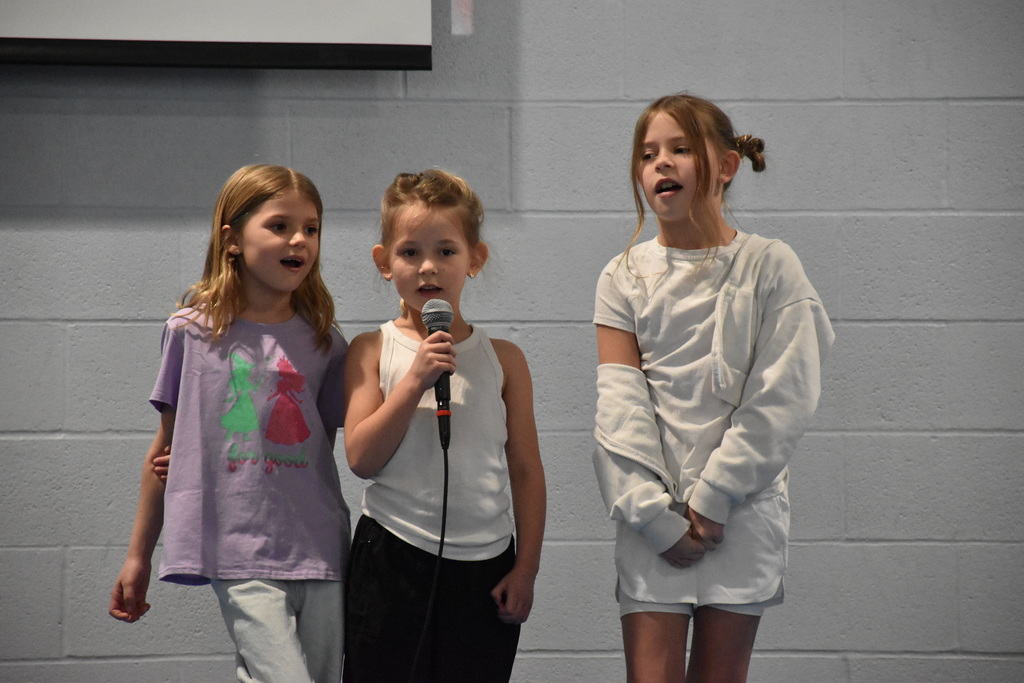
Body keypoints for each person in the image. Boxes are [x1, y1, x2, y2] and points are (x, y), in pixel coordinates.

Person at [592, 93, 835, 682]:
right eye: (648, 154)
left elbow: (782, 399)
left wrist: (715, 497)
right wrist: (653, 516)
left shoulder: (771, 266)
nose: (661, 164)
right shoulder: (622, 275)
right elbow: (618, 410)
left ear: (726, 166)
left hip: (740, 515)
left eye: (680, 149)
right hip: (652, 520)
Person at [108, 164, 351, 683]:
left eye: (311, 228)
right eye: (280, 225)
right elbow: (163, 454)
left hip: (322, 549)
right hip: (241, 550)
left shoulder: (326, 342)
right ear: (233, 239)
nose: (299, 240)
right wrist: (138, 557)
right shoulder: (191, 333)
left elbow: (320, 451)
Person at [342, 169, 546, 683]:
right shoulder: (372, 348)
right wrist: (414, 380)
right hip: (392, 558)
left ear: (475, 259)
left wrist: (526, 568)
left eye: (446, 251)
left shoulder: (505, 360)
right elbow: (362, 458)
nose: (428, 267)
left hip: (486, 567)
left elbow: (525, 469)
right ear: (383, 262)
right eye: (410, 252)